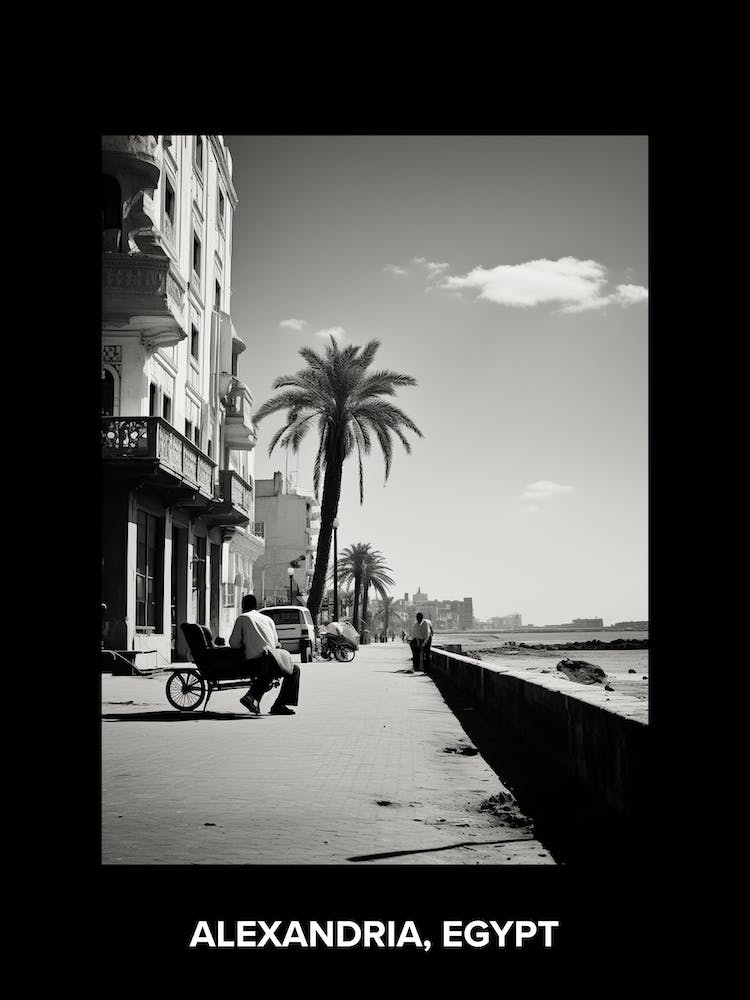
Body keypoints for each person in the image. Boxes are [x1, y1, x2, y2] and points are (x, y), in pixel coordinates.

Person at [229, 594, 300, 715]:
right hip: (271, 659)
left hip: (254, 661)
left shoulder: (242, 618)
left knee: (267, 667)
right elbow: (277, 643)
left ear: (243, 606)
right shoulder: (268, 619)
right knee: (294, 670)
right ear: (256, 606)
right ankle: (279, 704)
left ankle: (252, 697)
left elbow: (234, 643)